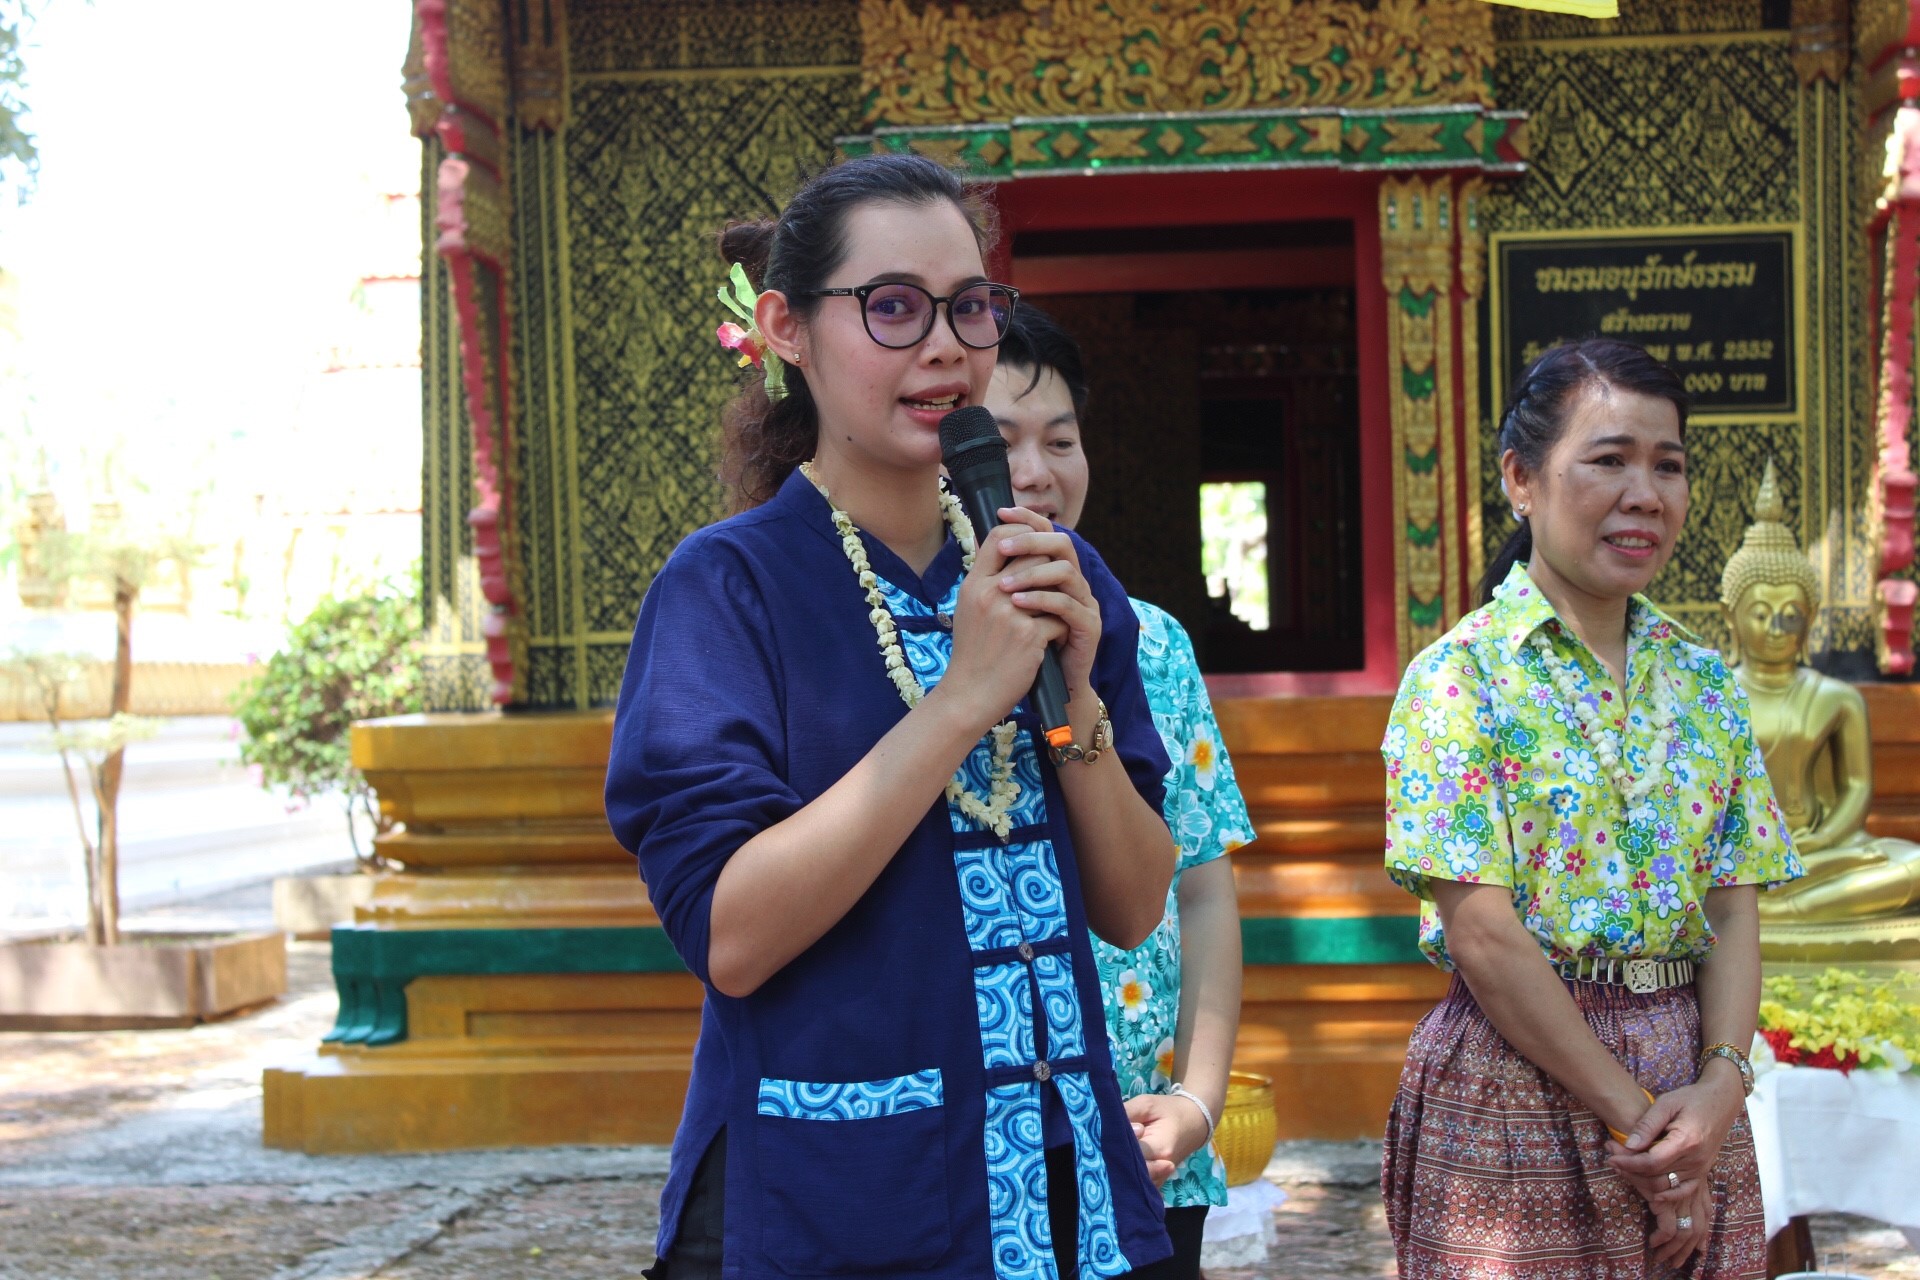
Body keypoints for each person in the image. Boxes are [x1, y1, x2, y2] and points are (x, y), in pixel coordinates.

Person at [605, 152, 1183, 1280]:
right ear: (786, 327)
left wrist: (1072, 711)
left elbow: (1132, 900)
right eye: (893, 307)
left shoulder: (1058, 571)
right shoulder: (726, 590)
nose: (946, 347)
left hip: (1072, 1193)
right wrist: (965, 700)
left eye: (971, 307)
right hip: (842, 1191)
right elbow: (732, 935)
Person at [1377, 338, 1802, 1278]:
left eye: (1669, 465)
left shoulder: (1704, 684)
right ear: (1520, 480)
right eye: (1608, 460)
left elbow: (1732, 902)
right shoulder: (1459, 681)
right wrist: (1641, 1124)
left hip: (1692, 1094)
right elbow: (1484, 937)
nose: (1645, 494)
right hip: (1516, 1091)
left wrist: (1720, 1087)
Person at [984, 303, 1250, 1280]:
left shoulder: (1156, 644)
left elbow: (1204, 884)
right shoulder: (915, 644)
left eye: (1061, 438)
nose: (1038, 469)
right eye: (1002, 438)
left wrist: (1198, 1098)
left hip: (1145, 1133)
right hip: (991, 1137)